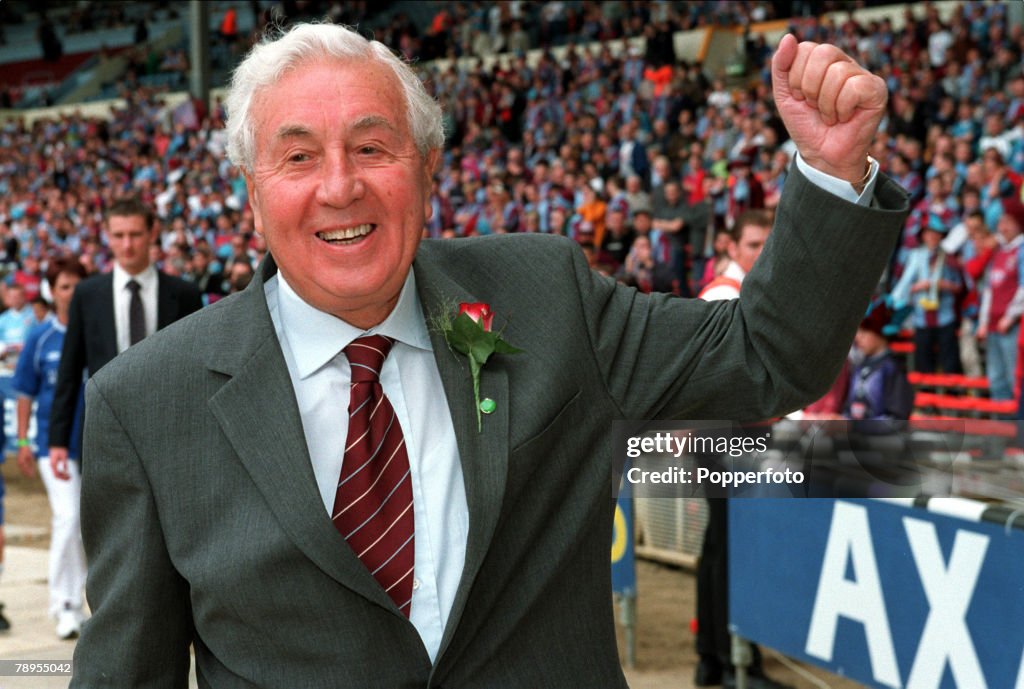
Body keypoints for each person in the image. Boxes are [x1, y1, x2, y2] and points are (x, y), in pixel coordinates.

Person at [70, 27, 906, 688]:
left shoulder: (546, 295)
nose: (339, 186)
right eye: (297, 157)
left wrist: (830, 170)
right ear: (252, 194)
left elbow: (764, 356)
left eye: (372, 147)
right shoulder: (146, 405)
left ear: (427, 170)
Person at [694, 207, 785, 689]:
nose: (762, 252)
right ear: (731, 247)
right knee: (732, 546)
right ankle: (732, 661)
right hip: (730, 436)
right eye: (753, 244)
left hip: (732, 434)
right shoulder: (726, 295)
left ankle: (714, 656)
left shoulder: (736, 292)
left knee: (721, 545)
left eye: (767, 243)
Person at [49, 197, 202, 476]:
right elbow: (69, 369)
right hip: (104, 432)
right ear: (107, 236)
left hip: (169, 432)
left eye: (135, 234)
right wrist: (58, 439)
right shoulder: (87, 295)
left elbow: (196, 371)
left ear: (152, 233)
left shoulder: (185, 294)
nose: (127, 244)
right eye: (119, 235)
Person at [13, 257, 89, 639]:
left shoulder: (98, 334)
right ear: (50, 292)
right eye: (63, 287)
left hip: (96, 443)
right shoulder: (40, 338)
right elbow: (25, 392)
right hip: (52, 446)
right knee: (68, 518)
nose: (71, 294)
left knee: (88, 525)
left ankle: (83, 600)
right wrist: (24, 440)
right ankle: (64, 603)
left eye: (77, 285)